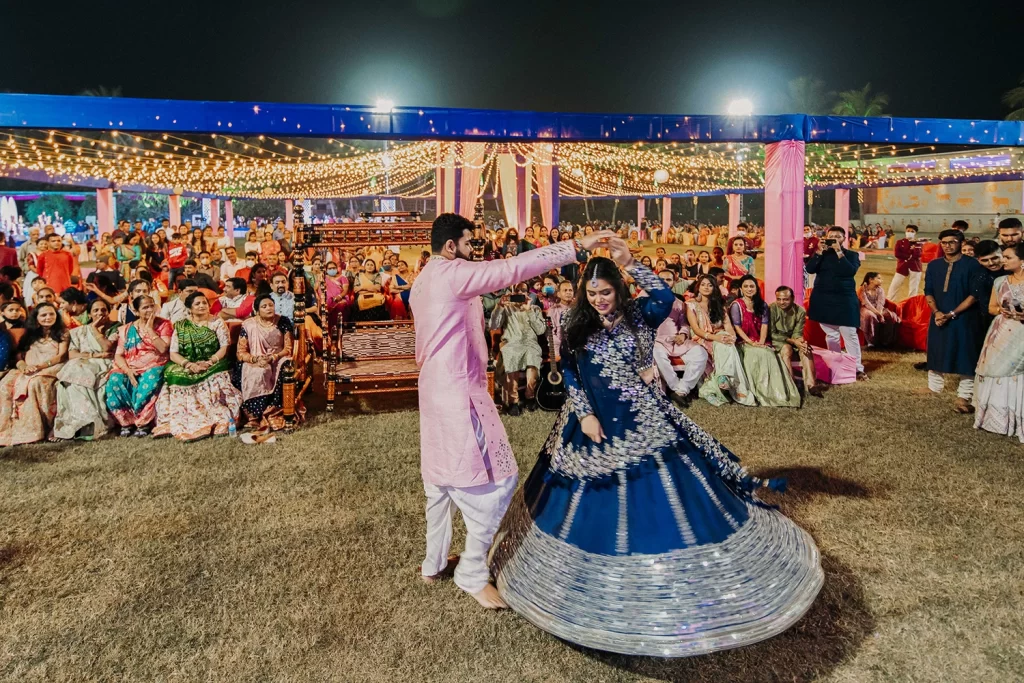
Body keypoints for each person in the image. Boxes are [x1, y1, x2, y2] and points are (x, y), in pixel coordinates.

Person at [489, 245, 822, 657]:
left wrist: (630, 261)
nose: (598, 300)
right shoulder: (577, 323)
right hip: (588, 424)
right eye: (592, 295)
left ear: (619, 290)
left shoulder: (640, 316)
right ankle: (585, 590)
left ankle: (670, 582)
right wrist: (586, 414)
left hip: (640, 418)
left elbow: (666, 298)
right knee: (582, 507)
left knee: (664, 498)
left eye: (605, 293)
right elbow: (572, 372)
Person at [409, 213, 611, 609]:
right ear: (451, 247)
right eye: (470, 245)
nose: (474, 252)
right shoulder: (453, 273)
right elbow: (514, 267)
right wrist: (575, 247)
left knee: (440, 485)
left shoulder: (423, 279)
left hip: (433, 391)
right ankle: (470, 572)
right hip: (458, 394)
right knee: (498, 482)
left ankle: (432, 565)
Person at [153, 291, 242, 441]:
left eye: (204, 303)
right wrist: (188, 364)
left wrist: (209, 362)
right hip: (187, 363)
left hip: (214, 362)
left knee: (212, 376)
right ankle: (174, 421)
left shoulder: (217, 322)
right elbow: (173, 353)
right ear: (189, 308)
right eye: (197, 304)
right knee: (175, 374)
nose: (202, 306)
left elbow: (224, 347)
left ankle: (215, 418)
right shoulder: (181, 325)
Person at [923, 229, 987, 414]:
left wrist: (951, 313)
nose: (948, 245)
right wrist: (936, 312)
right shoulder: (934, 265)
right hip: (938, 315)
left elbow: (974, 295)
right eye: (944, 242)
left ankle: (964, 394)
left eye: (952, 242)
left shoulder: (973, 265)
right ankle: (934, 386)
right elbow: (928, 290)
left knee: (966, 353)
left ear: (961, 242)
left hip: (965, 316)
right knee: (936, 347)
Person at [973, 243, 1024, 441]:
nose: (1003, 260)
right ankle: (996, 419)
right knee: (994, 370)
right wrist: (1002, 311)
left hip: (1021, 334)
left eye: (1008, 257)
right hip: (1001, 330)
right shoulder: (1001, 281)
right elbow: (992, 307)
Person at [0, 303, 69, 446]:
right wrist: (24, 366)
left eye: (51, 314)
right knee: (5, 385)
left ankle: (40, 429)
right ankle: (8, 430)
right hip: (28, 368)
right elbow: (18, 355)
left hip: (52, 368)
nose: (48, 317)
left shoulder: (63, 333)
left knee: (35, 383)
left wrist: (40, 366)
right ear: (36, 318)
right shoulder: (30, 335)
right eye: (43, 315)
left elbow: (61, 356)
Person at [729, 275, 802, 407]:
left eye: (752, 286)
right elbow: (737, 328)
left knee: (769, 354)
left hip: (761, 341)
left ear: (757, 288)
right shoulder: (736, 305)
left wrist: (762, 342)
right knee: (756, 355)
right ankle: (759, 392)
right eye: (745, 286)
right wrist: (751, 343)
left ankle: (780, 393)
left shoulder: (762, 305)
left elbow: (764, 325)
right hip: (744, 342)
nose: (749, 289)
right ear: (741, 289)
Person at [106, 295, 173, 437]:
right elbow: (118, 355)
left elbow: (162, 349)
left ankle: (143, 422)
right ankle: (126, 422)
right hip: (130, 366)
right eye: (145, 307)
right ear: (136, 312)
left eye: (152, 306)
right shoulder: (126, 329)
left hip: (155, 365)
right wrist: (128, 370)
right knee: (115, 379)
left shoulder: (164, 324)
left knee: (151, 378)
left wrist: (149, 329)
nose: (150, 310)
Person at [53, 299, 120, 440]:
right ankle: (85, 421)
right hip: (83, 363)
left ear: (108, 312)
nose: (100, 313)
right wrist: (93, 355)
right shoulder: (78, 331)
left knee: (75, 372)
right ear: (89, 314)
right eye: (95, 310)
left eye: (103, 310)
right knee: (71, 378)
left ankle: (88, 423)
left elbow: (107, 347)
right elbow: (72, 354)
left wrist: (94, 330)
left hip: (105, 363)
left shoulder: (116, 328)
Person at [806, 226, 866, 380]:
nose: (833, 238)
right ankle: (836, 363)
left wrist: (839, 251)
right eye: (831, 236)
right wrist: (819, 252)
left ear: (844, 239)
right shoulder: (822, 254)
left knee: (850, 334)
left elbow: (849, 271)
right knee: (831, 335)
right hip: (823, 298)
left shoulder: (852, 255)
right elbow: (810, 269)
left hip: (844, 299)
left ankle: (856, 368)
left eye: (837, 236)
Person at [686, 274, 755, 406]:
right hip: (701, 339)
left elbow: (728, 325)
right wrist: (716, 337)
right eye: (703, 284)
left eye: (710, 285)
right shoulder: (691, 305)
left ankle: (723, 378)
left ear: (714, 288)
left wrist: (732, 337)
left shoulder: (718, 304)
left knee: (727, 342)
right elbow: (696, 330)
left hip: (720, 337)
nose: (706, 287)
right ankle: (718, 385)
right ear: (698, 287)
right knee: (723, 342)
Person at [237, 293, 302, 434]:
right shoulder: (248, 325)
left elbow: (288, 348)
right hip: (255, 359)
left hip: (278, 358)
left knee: (286, 366)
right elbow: (241, 352)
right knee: (257, 372)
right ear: (257, 310)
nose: (268, 308)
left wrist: (273, 357)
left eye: (271, 305)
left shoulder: (282, 321)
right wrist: (255, 359)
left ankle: (273, 410)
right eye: (264, 306)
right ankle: (253, 416)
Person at [491, 292, 547, 415]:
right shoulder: (506, 308)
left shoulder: (535, 309)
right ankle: (513, 401)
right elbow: (493, 325)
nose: (520, 295)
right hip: (511, 342)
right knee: (512, 356)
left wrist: (529, 310)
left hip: (530, 343)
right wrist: (499, 306)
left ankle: (530, 395)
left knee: (532, 357)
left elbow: (540, 330)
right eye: (518, 292)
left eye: (524, 291)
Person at [653, 293, 708, 406]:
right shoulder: (647, 301)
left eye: (669, 279)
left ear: (674, 281)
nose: (665, 282)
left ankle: (681, 390)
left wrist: (683, 334)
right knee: (657, 354)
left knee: (700, 353)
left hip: (676, 340)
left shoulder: (679, 303)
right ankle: (675, 387)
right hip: (657, 340)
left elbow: (684, 324)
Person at [770, 286, 825, 398]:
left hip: (792, 339)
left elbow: (797, 333)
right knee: (786, 349)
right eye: (779, 299)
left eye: (785, 299)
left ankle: (811, 385)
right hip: (776, 340)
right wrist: (793, 341)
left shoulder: (800, 311)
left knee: (806, 348)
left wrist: (800, 342)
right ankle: (791, 384)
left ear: (793, 298)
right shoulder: (771, 309)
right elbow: (771, 333)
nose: (782, 302)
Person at [858, 272, 900, 348]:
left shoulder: (880, 290)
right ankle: (871, 341)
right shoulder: (862, 289)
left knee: (890, 315)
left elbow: (880, 303)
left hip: (878, 309)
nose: (882, 280)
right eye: (879, 278)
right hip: (866, 309)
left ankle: (886, 341)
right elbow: (867, 304)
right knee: (870, 316)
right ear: (871, 280)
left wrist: (879, 313)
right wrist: (878, 314)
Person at [888, 224, 924, 300]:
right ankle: (889, 302)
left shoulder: (918, 243)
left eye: (912, 231)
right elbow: (897, 254)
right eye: (908, 231)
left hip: (915, 267)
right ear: (905, 231)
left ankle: (911, 305)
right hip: (902, 266)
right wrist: (910, 252)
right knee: (894, 285)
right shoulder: (900, 242)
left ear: (915, 233)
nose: (909, 232)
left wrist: (915, 246)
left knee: (914, 288)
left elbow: (918, 255)